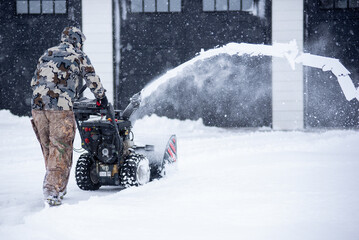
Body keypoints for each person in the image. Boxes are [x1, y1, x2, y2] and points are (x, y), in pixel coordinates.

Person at [30, 26, 107, 206]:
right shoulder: (77, 54)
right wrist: (102, 98)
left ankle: (58, 187)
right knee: (61, 149)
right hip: (60, 109)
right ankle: (52, 191)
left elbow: (35, 81)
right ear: (78, 40)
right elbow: (92, 79)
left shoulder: (47, 53)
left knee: (49, 149)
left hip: (37, 108)